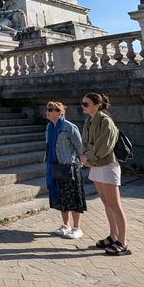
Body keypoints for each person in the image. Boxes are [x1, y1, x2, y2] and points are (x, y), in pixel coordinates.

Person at [80, 92, 130, 256]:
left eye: (86, 104)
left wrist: (89, 157)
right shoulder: (89, 121)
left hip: (107, 165)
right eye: (82, 103)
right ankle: (113, 235)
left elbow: (106, 144)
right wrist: (85, 157)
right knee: (106, 203)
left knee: (115, 204)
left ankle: (122, 242)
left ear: (97, 105)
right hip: (95, 166)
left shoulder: (105, 121)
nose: (83, 106)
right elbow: (85, 142)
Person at [44, 101, 86, 240]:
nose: (48, 111)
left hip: (70, 167)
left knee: (74, 197)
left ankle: (77, 227)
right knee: (61, 196)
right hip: (56, 167)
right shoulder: (49, 127)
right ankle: (65, 225)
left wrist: (80, 162)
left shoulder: (69, 127)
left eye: (51, 109)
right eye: (47, 109)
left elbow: (80, 147)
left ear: (60, 112)